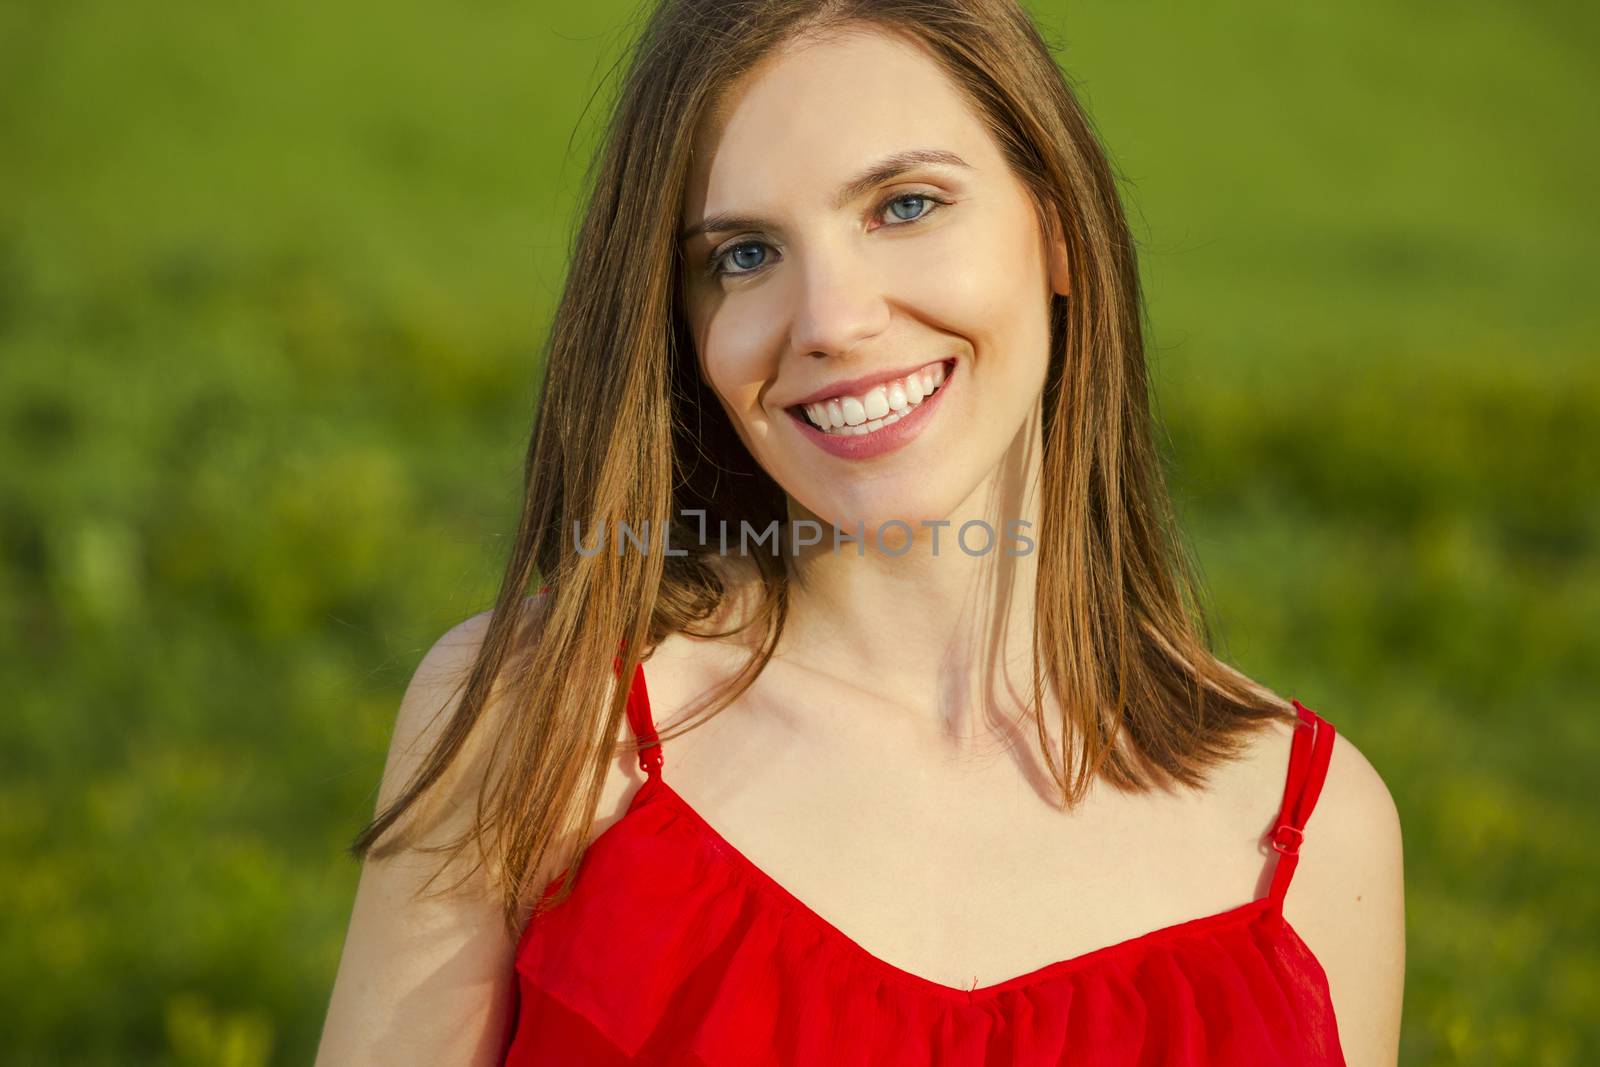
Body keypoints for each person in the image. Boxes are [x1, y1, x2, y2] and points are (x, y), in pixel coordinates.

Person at [314, 0, 1406, 1063]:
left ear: (1058, 226)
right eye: (743, 254)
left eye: (905, 204)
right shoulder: (540, 722)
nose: (831, 319)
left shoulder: (1312, 831)